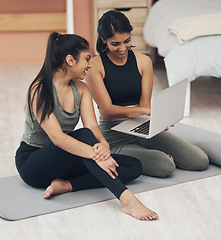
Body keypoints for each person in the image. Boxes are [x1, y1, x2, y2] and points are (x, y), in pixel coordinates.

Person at [15, 32, 158, 221]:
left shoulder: (81, 89)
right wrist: (95, 154)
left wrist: (104, 146)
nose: (90, 65)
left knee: (133, 166)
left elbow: (92, 126)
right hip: (34, 163)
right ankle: (127, 199)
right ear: (70, 60)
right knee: (82, 135)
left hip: (66, 157)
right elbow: (58, 138)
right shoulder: (39, 90)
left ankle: (66, 185)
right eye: (87, 59)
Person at [86, 10, 209, 178]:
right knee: (165, 166)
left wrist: (158, 120)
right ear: (103, 40)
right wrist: (145, 112)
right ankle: (143, 154)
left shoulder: (144, 62)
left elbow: (145, 105)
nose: (122, 48)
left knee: (200, 161)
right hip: (113, 136)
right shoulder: (94, 66)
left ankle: (147, 151)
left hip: (142, 127)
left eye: (127, 41)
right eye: (115, 44)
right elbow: (108, 110)